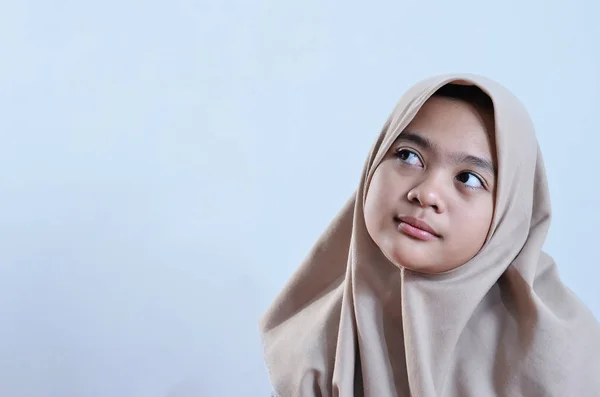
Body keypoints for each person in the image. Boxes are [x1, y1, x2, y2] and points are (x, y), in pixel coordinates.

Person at [259, 74, 600, 396]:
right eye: (408, 156)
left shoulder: (565, 356)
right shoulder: (313, 344)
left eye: (468, 178)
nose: (427, 194)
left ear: (509, 212)